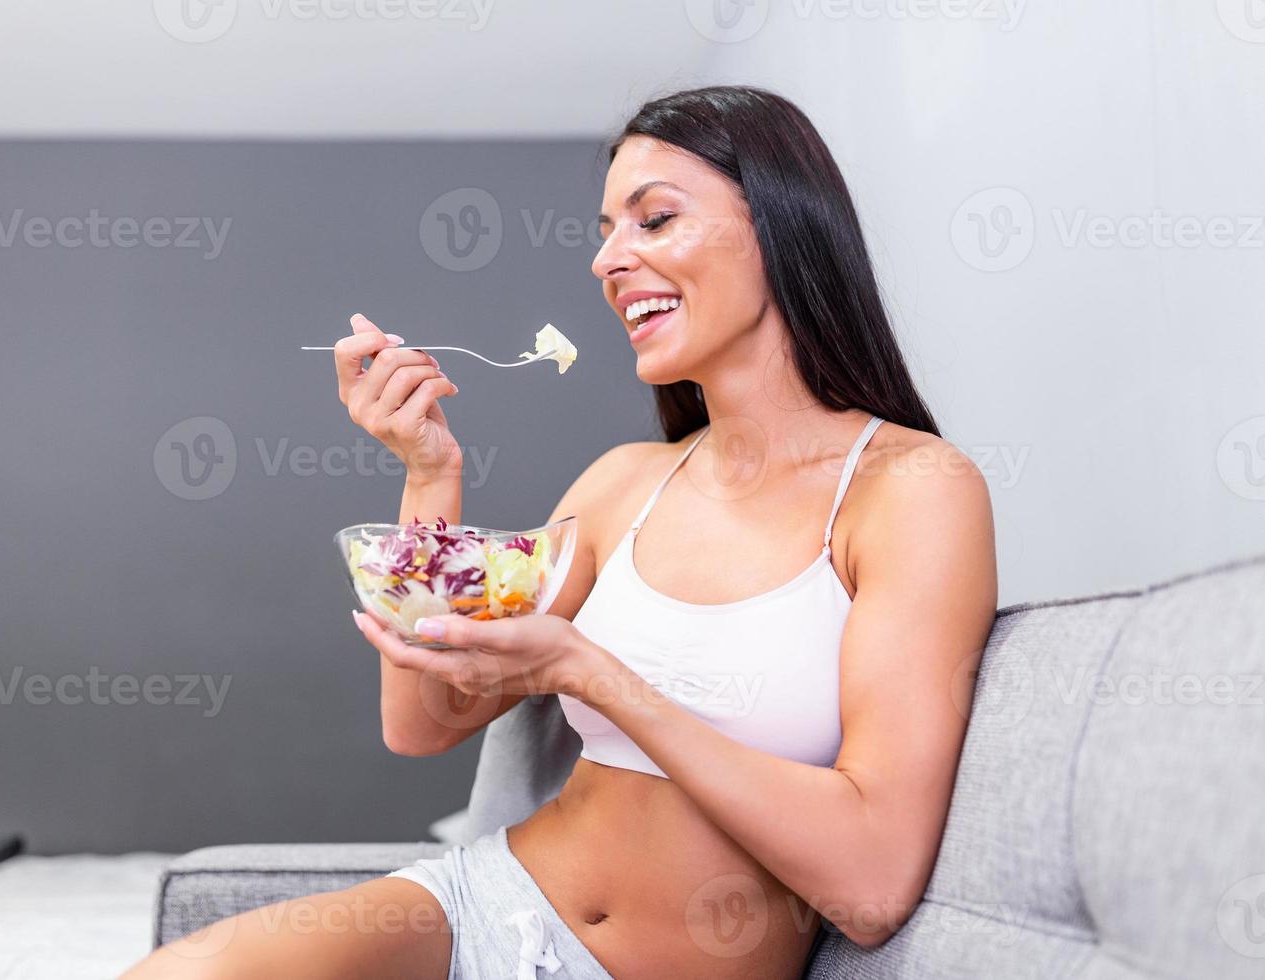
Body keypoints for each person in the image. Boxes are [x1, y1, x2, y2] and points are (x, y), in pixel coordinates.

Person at [124, 84, 998, 980]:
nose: (608, 261)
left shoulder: (911, 490)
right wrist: (430, 475)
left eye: (653, 220)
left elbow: (875, 884)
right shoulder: (625, 483)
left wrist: (592, 674)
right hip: (480, 905)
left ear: (782, 227)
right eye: (606, 231)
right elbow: (426, 722)